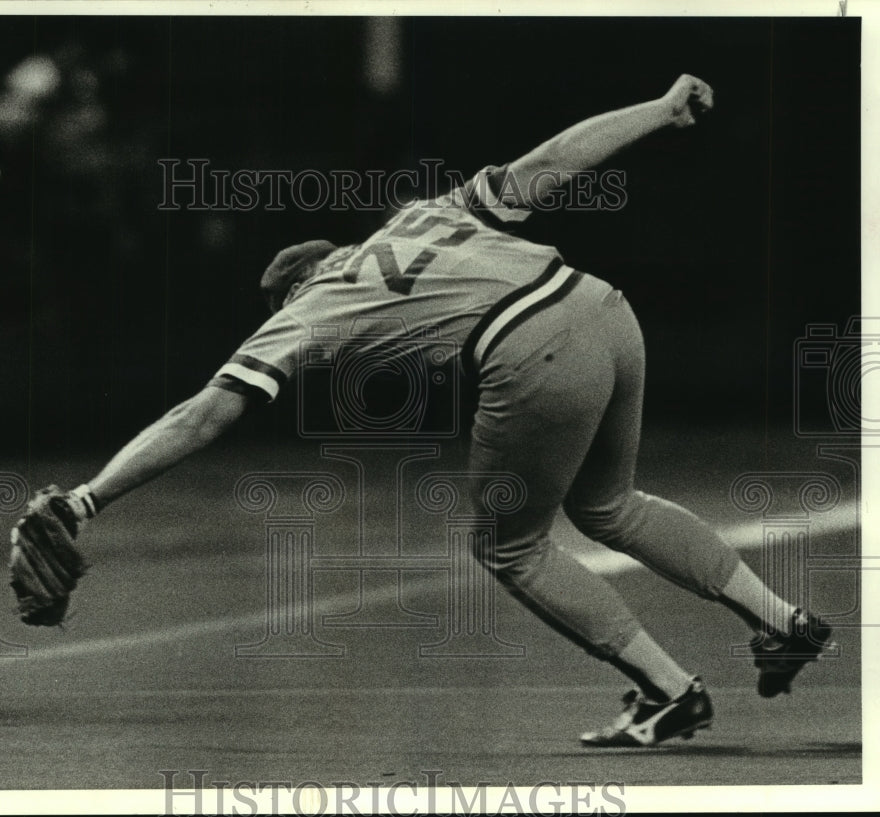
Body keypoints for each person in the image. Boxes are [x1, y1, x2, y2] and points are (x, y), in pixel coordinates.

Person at [42, 74, 834, 747]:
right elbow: (549, 163)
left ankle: (669, 691)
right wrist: (659, 109)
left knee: (511, 546)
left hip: (534, 344)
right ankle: (781, 618)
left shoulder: (314, 302)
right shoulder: (423, 215)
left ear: (295, 286)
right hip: (604, 307)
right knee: (609, 505)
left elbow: (202, 415)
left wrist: (87, 497)